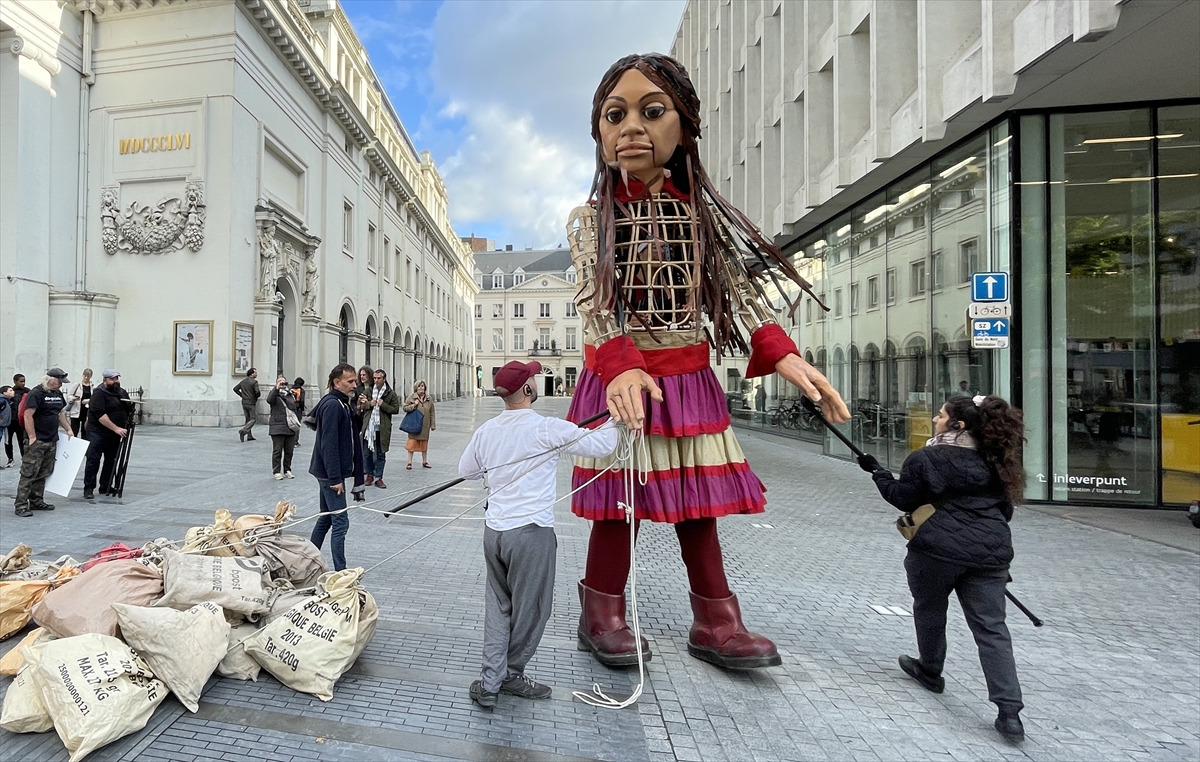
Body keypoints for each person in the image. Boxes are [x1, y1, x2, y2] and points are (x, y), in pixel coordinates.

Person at [565, 54, 849, 670]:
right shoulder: (590, 220)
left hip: (687, 380)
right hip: (625, 380)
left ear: (684, 127)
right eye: (615, 116)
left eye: (652, 111)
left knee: (698, 506)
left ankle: (717, 620)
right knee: (622, 505)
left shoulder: (700, 218)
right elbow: (594, 298)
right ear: (599, 133)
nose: (631, 128)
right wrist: (622, 365)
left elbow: (737, 296)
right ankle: (601, 611)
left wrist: (783, 355)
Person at [858, 394, 1028, 742]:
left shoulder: (927, 457)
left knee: (931, 607)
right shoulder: (996, 458)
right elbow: (1004, 511)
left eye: (940, 415)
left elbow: (903, 498)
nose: (935, 419)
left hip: (936, 549)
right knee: (992, 629)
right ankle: (1009, 712)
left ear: (957, 424)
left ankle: (930, 669)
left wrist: (878, 473)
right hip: (991, 553)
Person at [459, 361, 620, 709]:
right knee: (533, 610)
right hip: (531, 533)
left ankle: (489, 682)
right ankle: (509, 675)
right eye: (535, 378)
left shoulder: (487, 430)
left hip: (495, 532)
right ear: (528, 390)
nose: (538, 380)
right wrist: (618, 416)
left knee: (498, 608)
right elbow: (602, 445)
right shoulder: (546, 429)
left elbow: (466, 471)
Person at [309, 363, 357, 572]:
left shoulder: (342, 403)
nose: (355, 385)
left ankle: (307, 560)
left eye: (355, 381)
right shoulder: (332, 405)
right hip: (329, 474)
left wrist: (358, 409)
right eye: (350, 381)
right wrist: (335, 478)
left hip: (327, 472)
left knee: (326, 518)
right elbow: (328, 444)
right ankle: (341, 571)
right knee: (340, 521)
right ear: (337, 382)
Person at [15, 369, 73, 517]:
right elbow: (28, 415)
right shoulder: (37, 392)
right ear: (50, 379)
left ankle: (36, 500)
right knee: (29, 473)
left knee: (44, 472)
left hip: (51, 439)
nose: (61, 385)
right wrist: (32, 436)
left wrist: (68, 429)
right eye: (59, 381)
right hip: (38, 440)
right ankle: (21, 505)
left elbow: (60, 413)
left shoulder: (57, 394)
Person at [83, 370, 131, 500]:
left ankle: (106, 485)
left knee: (112, 460)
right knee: (93, 460)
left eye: (116, 379)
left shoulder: (121, 392)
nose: (115, 381)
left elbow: (127, 408)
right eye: (112, 379)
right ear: (105, 380)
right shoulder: (99, 393)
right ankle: (89, 488)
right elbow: (100, 416)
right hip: (97, 432)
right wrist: (116, 428)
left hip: (114, 434)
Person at [362, 369, 400, 489]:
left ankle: (379, 477)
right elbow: (360, 406)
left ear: (384, 379)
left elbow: (395, 409)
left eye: (378, 378)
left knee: (380, 454)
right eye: (374, 378)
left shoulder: (390, 393)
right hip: (369, 428)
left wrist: (383, 405)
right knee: (367, 453)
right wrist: (369, 404)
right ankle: (369, 475)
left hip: (382, 428)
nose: (376, 380)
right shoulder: (368, 391)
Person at [266, 375, 299, 480]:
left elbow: (293, 406)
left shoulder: (289, 394)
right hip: (277, 427)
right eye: (280, 382)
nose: (283, 385)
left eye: (284, 383)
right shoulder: (274, 394)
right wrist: (276, 389)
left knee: (289, 451)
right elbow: (269, 400)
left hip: (290, 426)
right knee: (277, 451)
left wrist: (287, 395)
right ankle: (276, 471)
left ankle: (287, 470)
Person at [349, 366, 372, 501]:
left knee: (369, 447)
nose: (362, 377)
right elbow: (354, 404)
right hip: (360, 420)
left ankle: (370, 470)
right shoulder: (357, 390)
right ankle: (360, 467)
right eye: (361, 375)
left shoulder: (374, 389)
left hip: (371, 420)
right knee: (360, 445)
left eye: (364, 375)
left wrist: (368, 404)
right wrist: (359, 407)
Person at [402, 380, 436, 469]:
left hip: (425, 425)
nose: (421, 388)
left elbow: (432, 412)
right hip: (414, 424)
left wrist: (433, 424)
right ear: (416, 388)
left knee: (424, 443)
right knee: (412, 443)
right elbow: (405, 408)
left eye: (422, 386)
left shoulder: (429, 398)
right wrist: (414, 405)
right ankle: (409, 462)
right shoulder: (412, 397)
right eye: (419, 386)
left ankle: (425, 461)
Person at [5, 374, 29, 466]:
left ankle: (24, 458)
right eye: (21, 381)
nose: (23, 383)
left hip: (21, 421)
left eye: (24, 381)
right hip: (10, 421)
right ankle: (10, 458)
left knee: (22, 440)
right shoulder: (10, 392)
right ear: (15, 382)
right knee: (8, 441)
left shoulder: (27, 391)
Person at [234, 368, 260, 442]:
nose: (256, 374)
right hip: (251, 402)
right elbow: (257, 392)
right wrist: (256, 397)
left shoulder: (243, 381)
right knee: (253, 419)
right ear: (252, 374)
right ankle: (244, 430)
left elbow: (235, 389)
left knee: (248, 419)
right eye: (255, 373)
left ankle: (249, 435)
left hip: (244, 402)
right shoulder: (254, 382)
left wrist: (242, 395)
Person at [67, 369, 93, 436]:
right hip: (76, 411)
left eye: (88, 376)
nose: (86, 378)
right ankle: (73, 445)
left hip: (86, 412)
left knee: (85, 431)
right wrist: (74, 398)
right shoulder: (77, 385)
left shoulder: (92, 386)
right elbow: (69, 396)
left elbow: (93, 398)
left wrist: (88, 400)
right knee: (74, 430)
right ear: (83, 375)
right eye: (85, 376)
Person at [291, 377, 307, 448]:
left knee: (290, 424)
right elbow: (302, 401)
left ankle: (289, 441)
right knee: (297, 425)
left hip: (291, 408)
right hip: (298, 409)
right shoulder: (301, 390)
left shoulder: (291, 389)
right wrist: (302, 408)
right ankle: (295, 442)